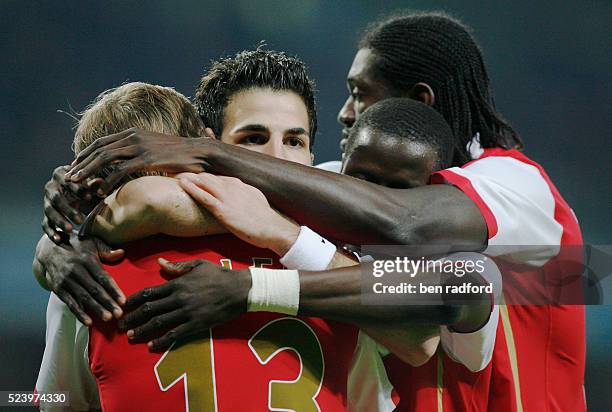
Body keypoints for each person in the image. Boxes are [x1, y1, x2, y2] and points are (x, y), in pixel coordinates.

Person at [55, 11, 585, 411]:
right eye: (252, 140)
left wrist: (260, 264)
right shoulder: (337, 206)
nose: (344, 111)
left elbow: (439, 267)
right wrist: (64, 237)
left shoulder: (516, 187)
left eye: (359, 92)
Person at [35, 58, 360, 410]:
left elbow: (50, 402)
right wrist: (61, 240)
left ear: (313, 152)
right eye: (254, 138)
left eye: (294, 141)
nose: (276, 159)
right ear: (205, 148)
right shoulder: (338, 243)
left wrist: (73, 230)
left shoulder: (343, 211)